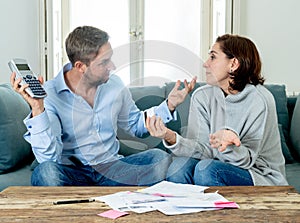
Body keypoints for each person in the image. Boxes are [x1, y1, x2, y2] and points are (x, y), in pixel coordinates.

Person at [11, 25, 196, 186]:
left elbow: (135, 124)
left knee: (158, 158)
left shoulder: (114, 85)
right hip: (73, 174)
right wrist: (38, 108)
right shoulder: (49, 94)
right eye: (104, 62)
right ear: (80, 66)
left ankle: (100, 198)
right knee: (46, 173)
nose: (112, 66)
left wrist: (169, 105)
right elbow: (49, 159)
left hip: (113, 170)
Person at [146, 34, 288, 186]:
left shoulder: (260, 100)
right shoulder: (202, 96)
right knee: (179, 168)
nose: (205, 64)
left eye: (213, 57)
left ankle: (221, 210)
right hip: (215, 162)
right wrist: (171, 137)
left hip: (259, 173)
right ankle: (183, 210)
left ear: (233, 64)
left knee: (207, 170)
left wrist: (228, 145)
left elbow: (247, 161)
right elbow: (202, 151)